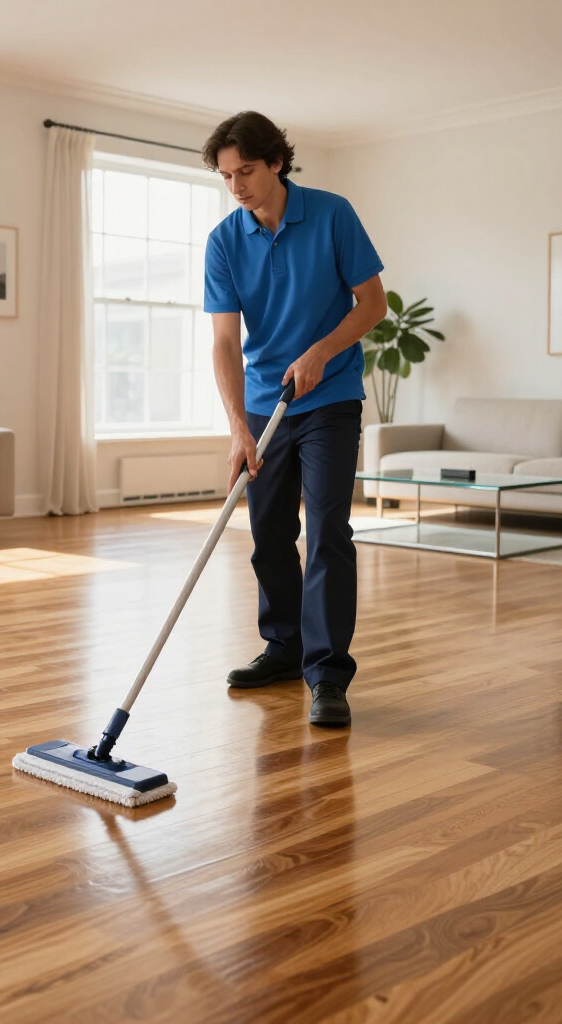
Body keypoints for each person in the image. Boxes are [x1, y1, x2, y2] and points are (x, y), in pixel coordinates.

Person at [202, 111, 386, 727]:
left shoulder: (332, 214)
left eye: (246, 171)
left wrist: (322, 351)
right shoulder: (224, 241)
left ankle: (328, 673)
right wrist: (239, 428)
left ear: (277, 163)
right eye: (226, 177)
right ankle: (284, 649)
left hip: (329, 398)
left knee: (328, 530)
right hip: (263, 404)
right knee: (270, 533)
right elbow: (225, 342)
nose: (237, 187)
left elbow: (374, 304)